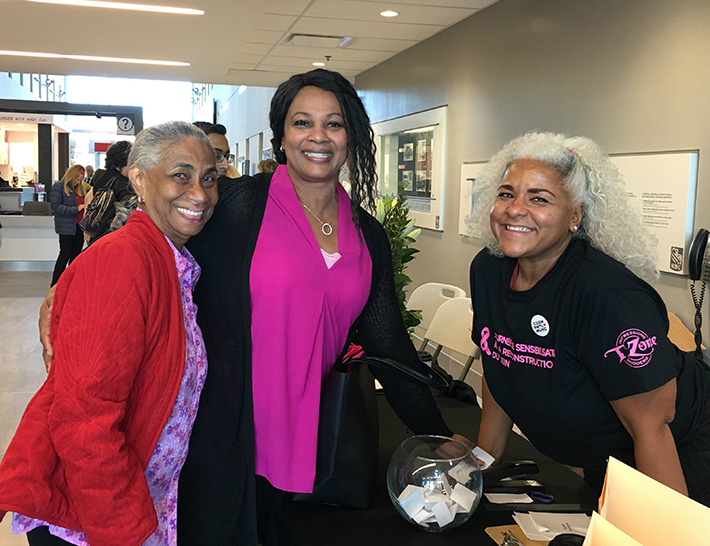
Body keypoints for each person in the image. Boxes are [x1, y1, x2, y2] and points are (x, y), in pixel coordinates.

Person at [175, 68, 473, 545]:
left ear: (351, 135)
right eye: (302, 122)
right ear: (282, 135)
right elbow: (155, 253)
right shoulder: (234, 207)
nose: (318, 136)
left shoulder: (366, 234)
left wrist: (435, 434)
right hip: (225, 429)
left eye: (333, 124)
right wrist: (67, 299)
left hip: (312, 431)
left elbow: (388, 342)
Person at [0, 121, 219, 546]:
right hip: (91, 521)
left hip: (135, 506)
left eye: (208, 177)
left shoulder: (171, 262)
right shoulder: (123, 262)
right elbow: (84, 420)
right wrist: (122, 531)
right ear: (137, 177)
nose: (200, 192)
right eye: (181, 174)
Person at [467, 131, 710, 506]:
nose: (515, 208)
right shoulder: (488, 270)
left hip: (684, 448)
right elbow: (501, 364)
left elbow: (651, 428)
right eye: (506, 193)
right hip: (603, 457)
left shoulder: (606, 294)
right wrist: (484, 464)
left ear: (575, 216)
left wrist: (668, 528)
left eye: (539, 198)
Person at [88, 140, 134, 243]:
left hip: (98, 233)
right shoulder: (122, 183)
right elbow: (129, 210)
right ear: (125, 161)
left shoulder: (102, 178)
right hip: (113, 234)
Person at [49, 164, 86, 286]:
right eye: (76, 179)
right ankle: (55, 284)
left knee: (75, 256)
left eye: (80, 180)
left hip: (79, 226)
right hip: (66, 227)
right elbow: (56, 207)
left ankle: (71, 283)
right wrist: (76, 209)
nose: (77, 182)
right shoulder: (58, 187)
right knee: (65, 254)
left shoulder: (81, 188)